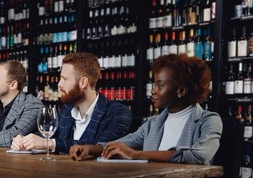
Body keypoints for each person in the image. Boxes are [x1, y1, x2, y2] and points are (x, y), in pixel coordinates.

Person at [70, 54, 222, 165]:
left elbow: (198, 155)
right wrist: (88, 149)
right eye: (154, 84)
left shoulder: (208, 120)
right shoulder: (154, 122)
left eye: (160, 85)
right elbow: (125, 143)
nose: (153, 90)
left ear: (181, 90)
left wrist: (136, 154)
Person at [11, 52, 132, 154]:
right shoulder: (67, 109)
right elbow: (48, 135)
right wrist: (24, 141)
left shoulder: (118, 113)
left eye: (64, 79)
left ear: (83, 82)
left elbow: (100, 147)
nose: (59, 84)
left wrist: (50, 144)